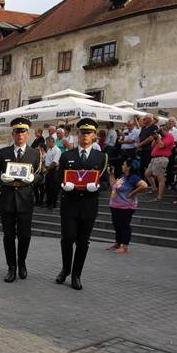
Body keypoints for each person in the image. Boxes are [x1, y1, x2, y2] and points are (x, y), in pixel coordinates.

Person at [56, 118, 108, 290]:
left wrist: (97, 186)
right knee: (67, 239)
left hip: (88, 205)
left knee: (83, 242)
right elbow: (58, 178)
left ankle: (76, 275)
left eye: (89, 133)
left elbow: (107, 181)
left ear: (94, 136)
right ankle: (65, 269)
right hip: (69, 204)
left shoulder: (101, 157)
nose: (85, 135)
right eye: (82, 132)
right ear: (77, 135)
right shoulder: (66, 155)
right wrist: (64, 185)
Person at [0, 118, 43, 283]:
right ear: (13, 134)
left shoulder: (35, 154)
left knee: (25, 235)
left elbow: (42, 175)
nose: (20, 135)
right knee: (8, 236)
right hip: (7, 200)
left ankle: (22, 263)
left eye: (23, 132)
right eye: (17, 132)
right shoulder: (3, 152)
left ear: (28, 134)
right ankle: (11, 267)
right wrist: (1, 177)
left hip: (25, 200)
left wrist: (33, 178)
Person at [107, 158, 149, 254]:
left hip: (126, 206)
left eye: (124, 164)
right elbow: (113, 186)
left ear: (129, 167)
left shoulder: (133, 178)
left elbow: (144, 185)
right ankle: (118, 243)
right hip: (115, 205)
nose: (122, 166)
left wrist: (132, 193)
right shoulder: (123, 176)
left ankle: (124, 246)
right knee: (117, 225)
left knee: (124, 225)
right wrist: (111, 174)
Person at [145, 124, 175, 201]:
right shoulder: (162, 138)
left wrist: (158, 137)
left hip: (161, 159)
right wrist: (155, 138)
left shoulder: (170, 137)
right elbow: (152, 145)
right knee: (147, 174)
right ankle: (154, 188)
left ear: (166, 130)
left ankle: (159, 196)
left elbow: (162, 146)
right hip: (154, 159)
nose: (160, 131)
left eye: (162, 130)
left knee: (160, 177)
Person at [43, 135, 61, 210]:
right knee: (48, 188)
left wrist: (47, 170)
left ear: (51, 142)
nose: (46, 144)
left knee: (53, 188)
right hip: (48, 170)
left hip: (53, 171)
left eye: (47, 143)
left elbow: (54, 162)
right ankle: (48, 202)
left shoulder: (57, 150)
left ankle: (53, 204)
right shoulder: (49, 150)